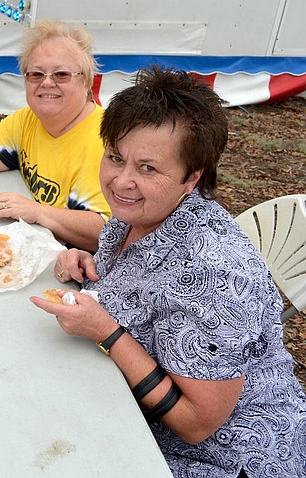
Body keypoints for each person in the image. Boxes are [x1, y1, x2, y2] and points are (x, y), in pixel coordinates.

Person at [32, 67, 306, 477]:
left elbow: (198, 424)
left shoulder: (214, 276)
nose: (121, 181)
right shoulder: (142, 214)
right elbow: (140, 289)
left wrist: (105, 330)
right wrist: (90, 272)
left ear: (191, 177)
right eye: (115, 157)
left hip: (222, 456)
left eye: (148, 169)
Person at [0, 20, 110, 252]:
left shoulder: (104, 142)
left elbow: (107, 233)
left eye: (62, 74)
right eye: (36, 74)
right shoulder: (28, 119)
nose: (47, 82)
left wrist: (36, 211)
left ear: (86, 81)